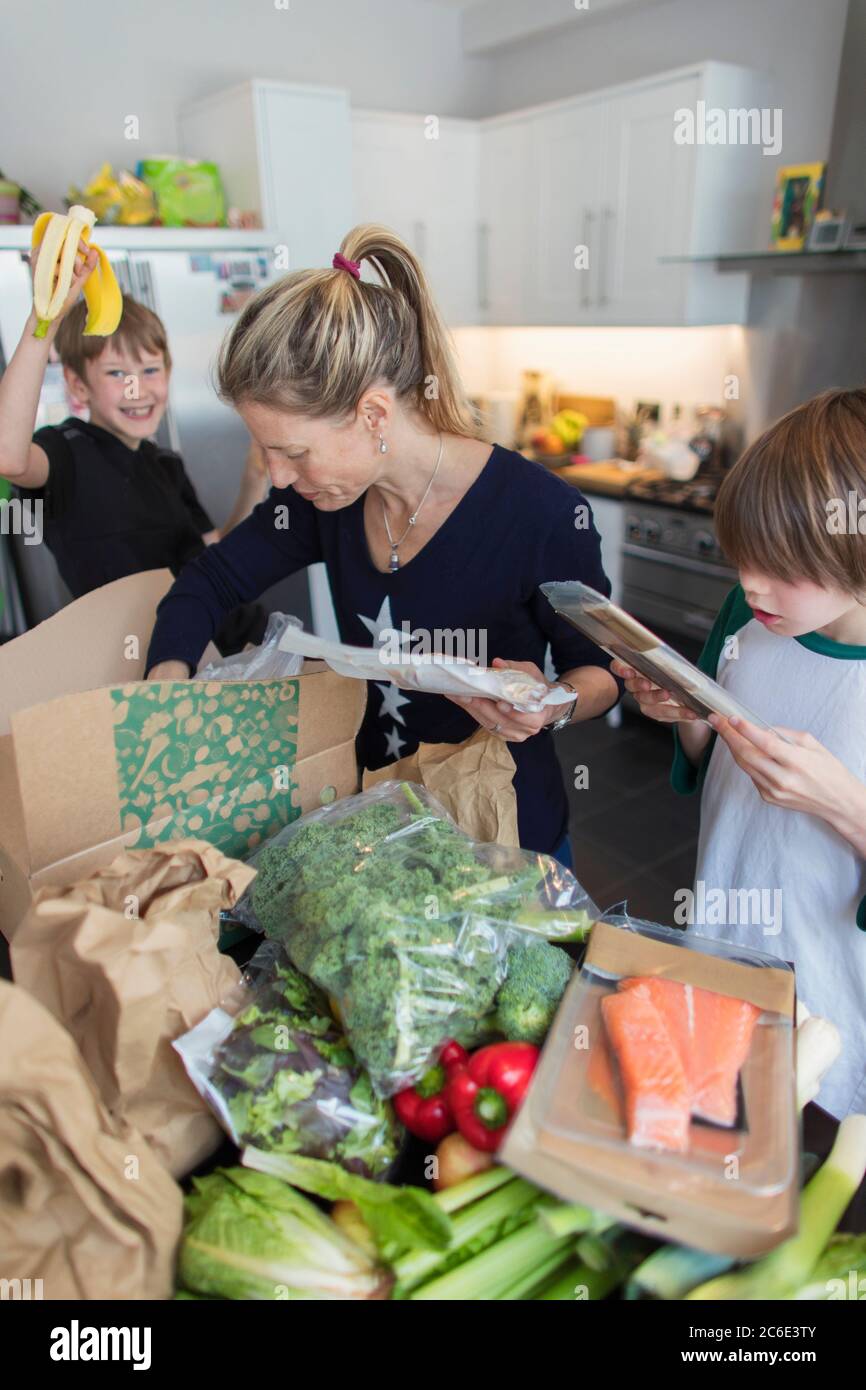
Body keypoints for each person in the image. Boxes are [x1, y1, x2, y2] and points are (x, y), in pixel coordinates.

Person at [146, 224, 622, 861]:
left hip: (507, 836)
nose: (278, 476)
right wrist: (168, 693)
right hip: (379, 827)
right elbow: (207, 583)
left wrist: (552, 705)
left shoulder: (542, 513)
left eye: (291, 451)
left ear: (373, 414)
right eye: (266, 451)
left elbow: (602, 674)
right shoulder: (320, 502)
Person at [613, 388, 866, 1118]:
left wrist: (844, 804)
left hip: (832, 990)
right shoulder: (748, 613)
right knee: (716, 1107)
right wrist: (686, 718)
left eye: (783, 564)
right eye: (743, 558)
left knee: (813, 1146)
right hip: (725, 924)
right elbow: (712, 759)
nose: (753, 584)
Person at [0, 239, 269, 647]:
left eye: (149, 369)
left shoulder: (165, 463)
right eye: (115, 373)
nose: (136, 389)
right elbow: (7, 454)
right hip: (148, 661)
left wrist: (253, 481)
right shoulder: (65, 451)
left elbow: (217, 560)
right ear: (77, 384)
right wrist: (45, 320)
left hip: (235, 644)